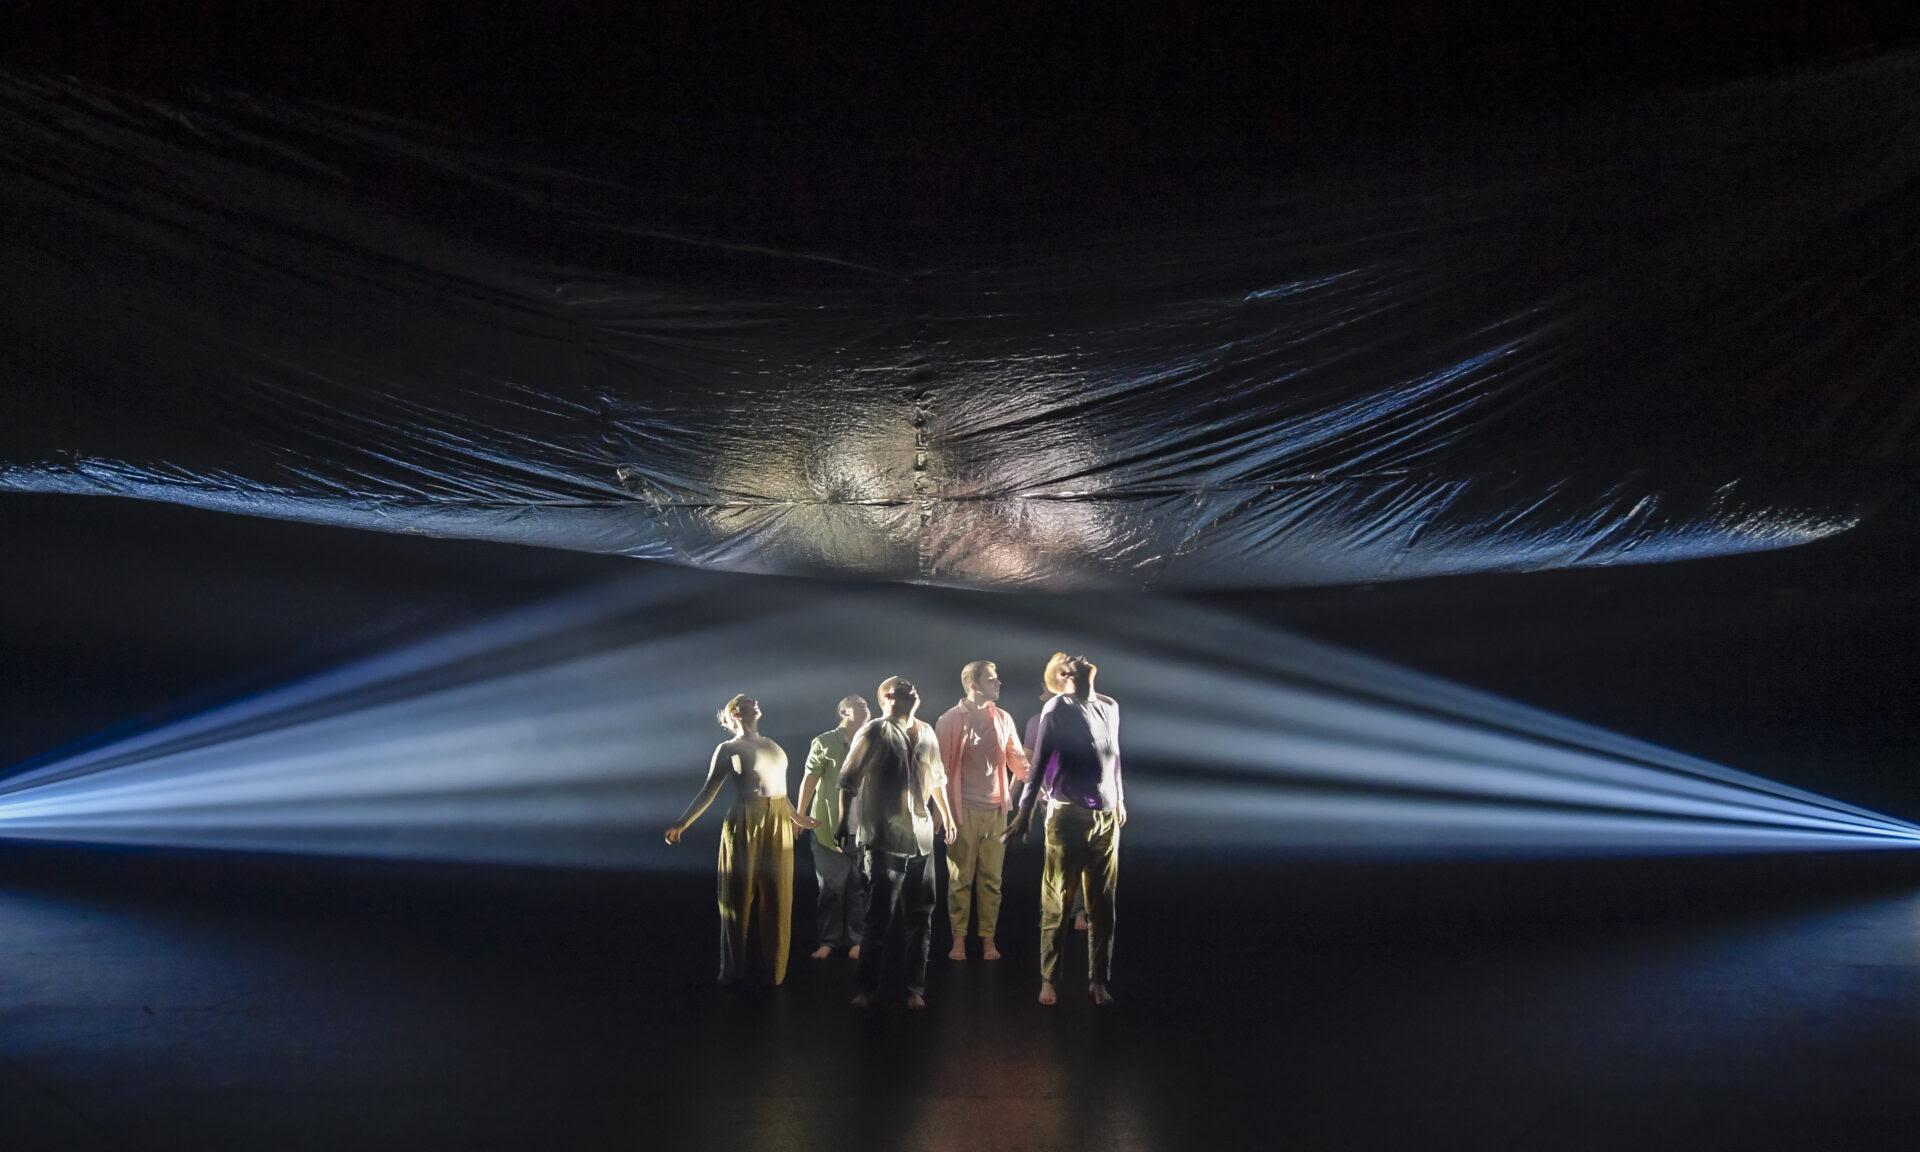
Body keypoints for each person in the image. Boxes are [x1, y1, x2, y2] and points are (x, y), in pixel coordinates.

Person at [1003, 655, 1125, 1007]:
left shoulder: (1109, 705)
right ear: (1065, 674)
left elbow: (1113, 754)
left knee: (1103, 904)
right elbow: (1038, 762)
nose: (1082, 658)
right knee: (1058, 900)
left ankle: (1098, 979)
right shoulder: (1058, 706)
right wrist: (1025, 813)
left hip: (1104, 816)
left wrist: (1119, 799)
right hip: (1067, 814)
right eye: (1073, 660)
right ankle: (1049, 979)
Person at [835, 676, 957, 1010]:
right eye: (905, 687)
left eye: (914, 686)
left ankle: (913, 987)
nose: (914, 688)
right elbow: (848, 780)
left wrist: (944, 814)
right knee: (878, 918)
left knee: (922, 916)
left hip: (921, 839)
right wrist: (845, 823)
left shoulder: (927, 730)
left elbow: (937, 778)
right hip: (885, 837)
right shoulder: (875, 731)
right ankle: (866, 987)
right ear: (889, 696)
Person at [665, 694, 800, 985]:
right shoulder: (727, 748)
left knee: (778, 896)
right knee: (737, 896)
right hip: (744, 820)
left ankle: (774, 973)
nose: (755, 702)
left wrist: (798, 818)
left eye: (755, 700)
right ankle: (732, 971)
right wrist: (681, 824)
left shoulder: (773, 746)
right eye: (746, 702)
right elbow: (709, 790)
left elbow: (781, 791)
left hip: (777, 819)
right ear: (735, 714)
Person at [934, 660, 1029, 961]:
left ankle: (988, 939)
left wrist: (1041, 786)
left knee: (991, 880)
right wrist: (940, 816)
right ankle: (958, 940)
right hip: (963, 811)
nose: (998, 682)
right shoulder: (950, 720)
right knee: (960, 878)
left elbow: (1017, 759)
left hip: (996, 812)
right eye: (991, 679)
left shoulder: (1002, 718)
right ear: (974, 685)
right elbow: (939, 771)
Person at [793, 695, 872, 960]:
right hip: (828, 828)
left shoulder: (873, 740)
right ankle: (828, 940)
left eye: (866, 707)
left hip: (864, 828)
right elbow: (810, 778)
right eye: (857, 707)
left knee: (859, 887)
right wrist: (799, 814)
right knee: (830, 888)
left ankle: (857, 939)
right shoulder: (825, 742)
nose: (863, 711)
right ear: (842, 711)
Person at [1026, 652, 1087, 933]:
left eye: (1044, 684)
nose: (1041, 688)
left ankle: (1078, 913)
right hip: (1051, 799)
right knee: (1055, 858)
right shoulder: (1035, 722)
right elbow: (1029, 758)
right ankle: (1051, 912)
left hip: (1082, 798)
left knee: (1082, 858)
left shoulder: (1083, 715)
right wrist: (1036, 789)